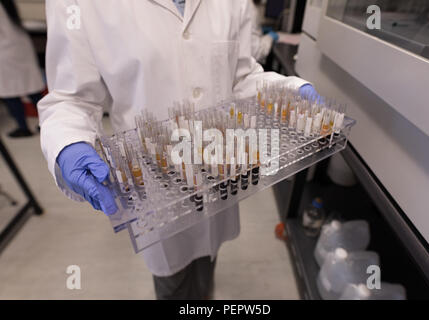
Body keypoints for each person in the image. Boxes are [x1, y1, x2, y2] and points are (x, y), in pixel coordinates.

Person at [38, 0, 320, 299]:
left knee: (207, 261)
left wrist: (289, 91)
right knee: (173, 281)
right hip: (156, 186)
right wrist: (69, 143)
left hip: (218, 175)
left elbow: (241, 77)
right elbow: (71, 98)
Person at [0, 0, 45, 138]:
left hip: (5, 51)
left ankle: (23, 127)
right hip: (19, 45)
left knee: (10, 93)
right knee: (32, 89)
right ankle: (46, 122)